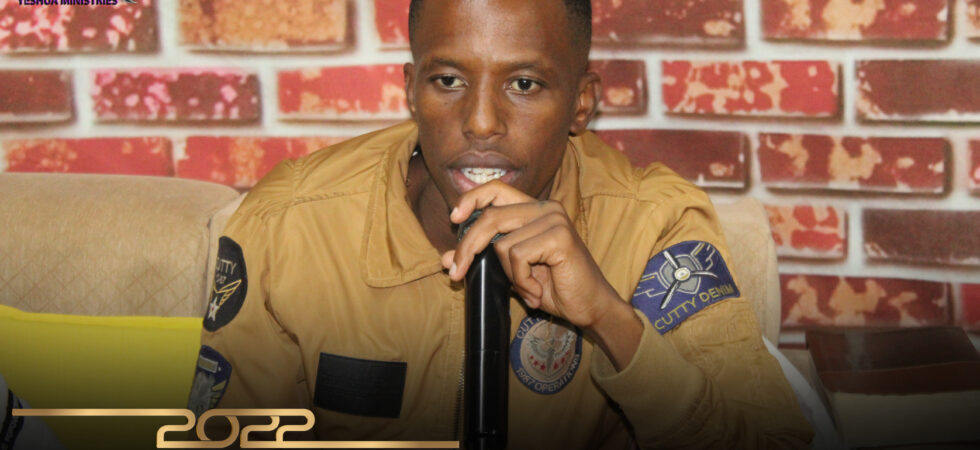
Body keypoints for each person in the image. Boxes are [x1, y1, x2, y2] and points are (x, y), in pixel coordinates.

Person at [186, 0, 814, 447]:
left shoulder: (654, 224)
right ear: (411, 89)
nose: (481, 122)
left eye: (524, 84)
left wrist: (611, 320)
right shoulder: (291, 224)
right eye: (448, 79)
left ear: (582, 102)